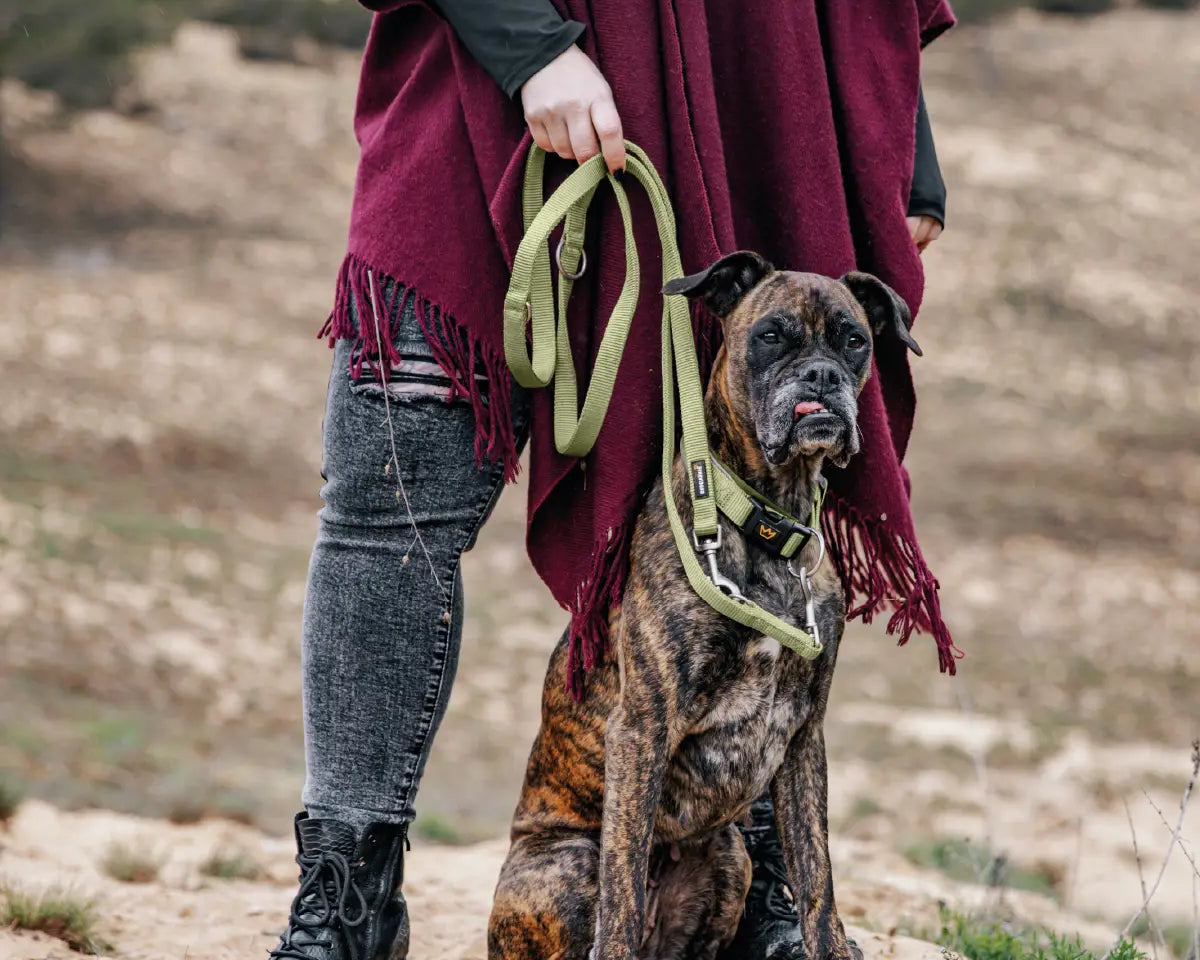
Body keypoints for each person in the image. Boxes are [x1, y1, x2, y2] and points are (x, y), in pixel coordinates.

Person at [271, 1, 955, 959]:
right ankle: (343, 908)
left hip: (761, 85)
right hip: (481, 94)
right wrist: (530, 47)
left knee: (745, 499)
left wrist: (905, 139)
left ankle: (766, 901)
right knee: (390, 504)